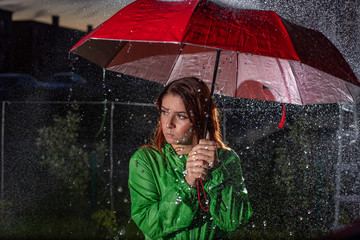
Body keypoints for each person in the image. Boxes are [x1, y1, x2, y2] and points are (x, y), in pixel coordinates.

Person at [128, 77, 252, 240]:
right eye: (165, 112)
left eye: (181, 116)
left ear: (199, 119)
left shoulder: (227, 160)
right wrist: (188, 184)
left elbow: (234, 221)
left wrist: (216, 173)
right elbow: (149, 224)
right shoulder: (146, 161)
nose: (168, 124)